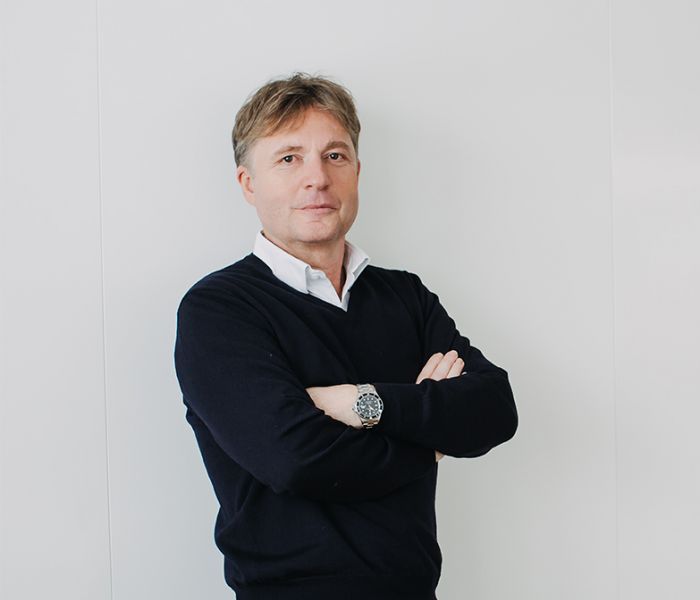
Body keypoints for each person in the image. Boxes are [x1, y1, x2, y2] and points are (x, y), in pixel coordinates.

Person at [173, 71, 518, 600]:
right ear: (248, 183)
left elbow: (494, 409)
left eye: (334, 155)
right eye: (289, 158)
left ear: (357, 171)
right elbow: (296, 460)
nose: (317, 178)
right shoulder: (219, 310)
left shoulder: (404, 296)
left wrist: (362, 403)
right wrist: (429, 442)